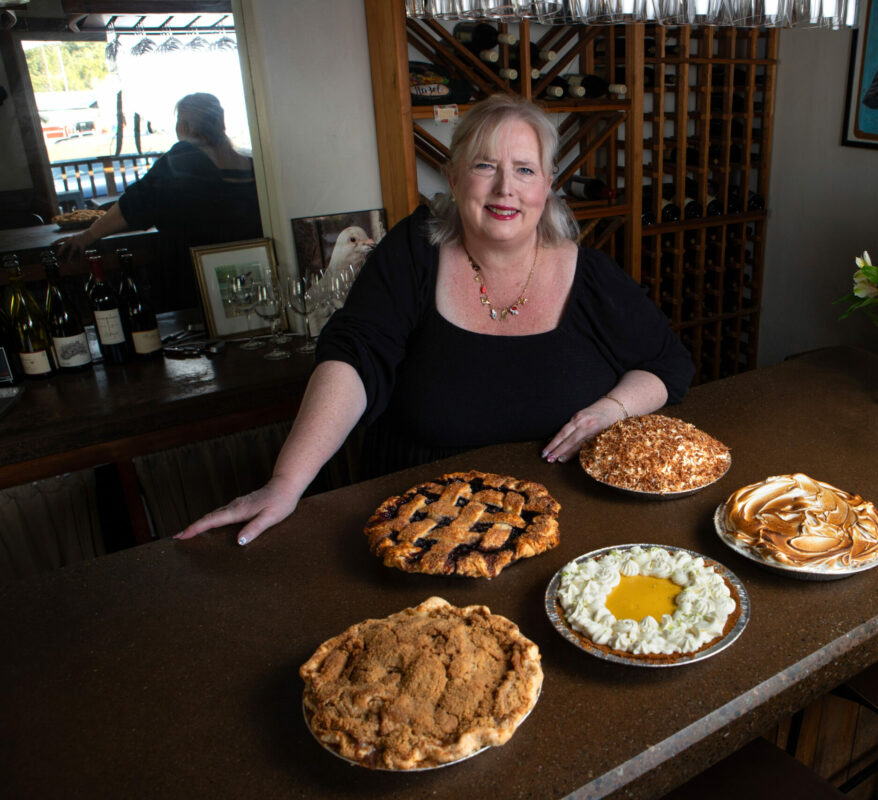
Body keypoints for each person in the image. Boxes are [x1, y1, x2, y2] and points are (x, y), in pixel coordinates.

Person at [178, 94, 694, 545]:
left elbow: (667, 363)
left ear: (548, 185)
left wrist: (612, 408)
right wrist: (286, 483)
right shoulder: (412, 253)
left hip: (566, 519)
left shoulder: (592, 274)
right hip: (420, 523)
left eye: (524, 169)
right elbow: (356, 356)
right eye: (485, 166)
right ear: (452, 177)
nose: (504, 189)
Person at [58, 93, 262, 311]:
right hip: (249, 271)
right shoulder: (250, 165)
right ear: (221, 121)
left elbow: (134, 206)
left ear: (183, 125)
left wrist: (88, 235)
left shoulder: (181, 160)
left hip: (195, 281)